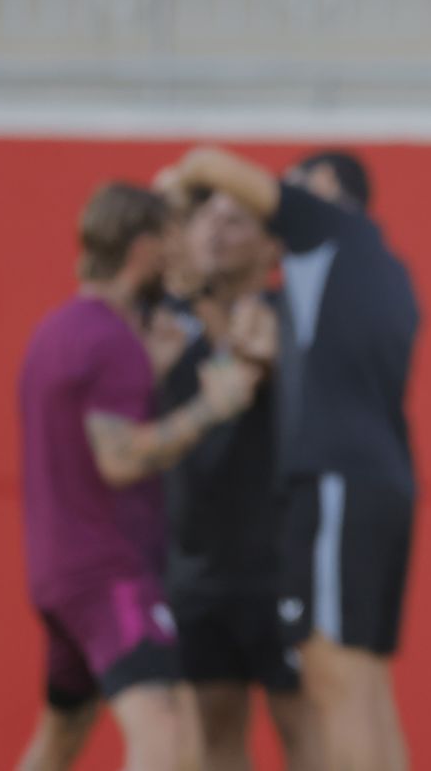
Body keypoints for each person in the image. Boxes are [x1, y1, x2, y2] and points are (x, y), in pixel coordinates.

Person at [160, 148, 419, 771]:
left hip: (335, 483)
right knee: (366, 689)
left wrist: (173, 188)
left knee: (337, 692)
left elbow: (210, 163)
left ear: (322, 186)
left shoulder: (326, 229)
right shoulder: (381, 268)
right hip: (376, 485)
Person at [15, 181, 264, 771]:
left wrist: (149, 372)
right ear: (142, 248)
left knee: (62, 736)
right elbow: (120, 458)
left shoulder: (58, 329)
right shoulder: (111, 339)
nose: (177, 264)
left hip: (57, 572)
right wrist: (213, 406)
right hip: (109, 575)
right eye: (170, 246)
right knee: (165, 727)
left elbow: (82, 436)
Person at [152, 188, 322, 771]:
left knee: (306, 734)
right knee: (214, 735)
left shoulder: (288, 315)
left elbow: (256, 365)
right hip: (197, 567)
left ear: (270, 247)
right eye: (206, 218)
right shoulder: (166, 324)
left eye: (234, 220)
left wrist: (200, 297)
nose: (215, 230)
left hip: (280, 564)